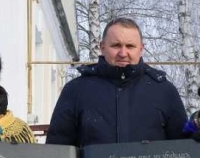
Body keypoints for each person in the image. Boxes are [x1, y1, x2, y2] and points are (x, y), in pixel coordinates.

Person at [47, 18, 187, 147]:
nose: (123, 53)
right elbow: (58, 151)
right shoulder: (76, 90)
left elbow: (184, 150)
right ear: (102, 47)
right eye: (116, 45)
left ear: (141, 49)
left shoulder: (164, 91)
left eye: (130, 46)